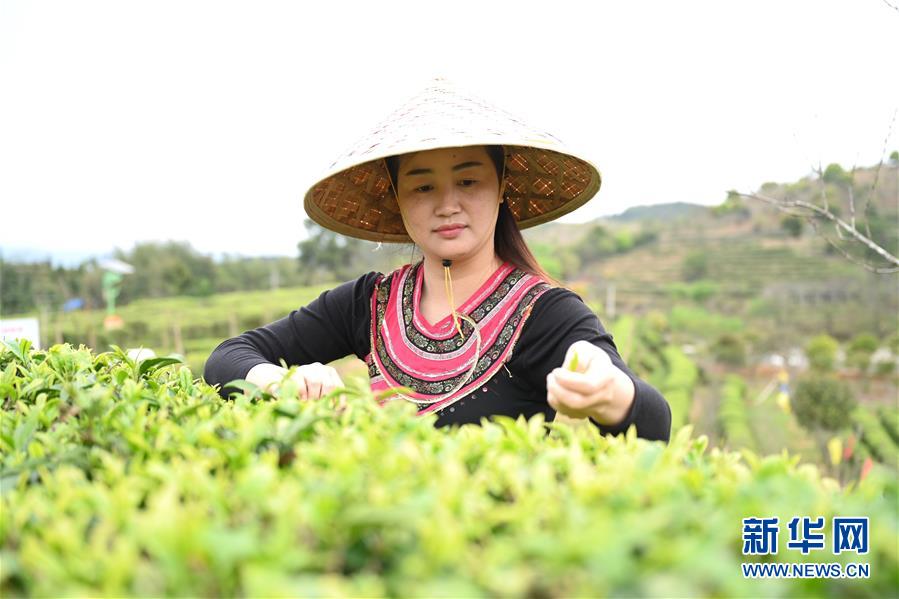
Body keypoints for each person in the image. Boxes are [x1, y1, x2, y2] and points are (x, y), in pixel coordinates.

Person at [204, 79, 672, 443]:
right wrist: (281, 381)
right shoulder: (369, 302)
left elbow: (654, 424)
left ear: (501, 185)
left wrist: (610, 391)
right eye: (423, 186)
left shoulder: (546, 314)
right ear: (398, 198)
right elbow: (227, 358)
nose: (447, 204)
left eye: (468, 182)